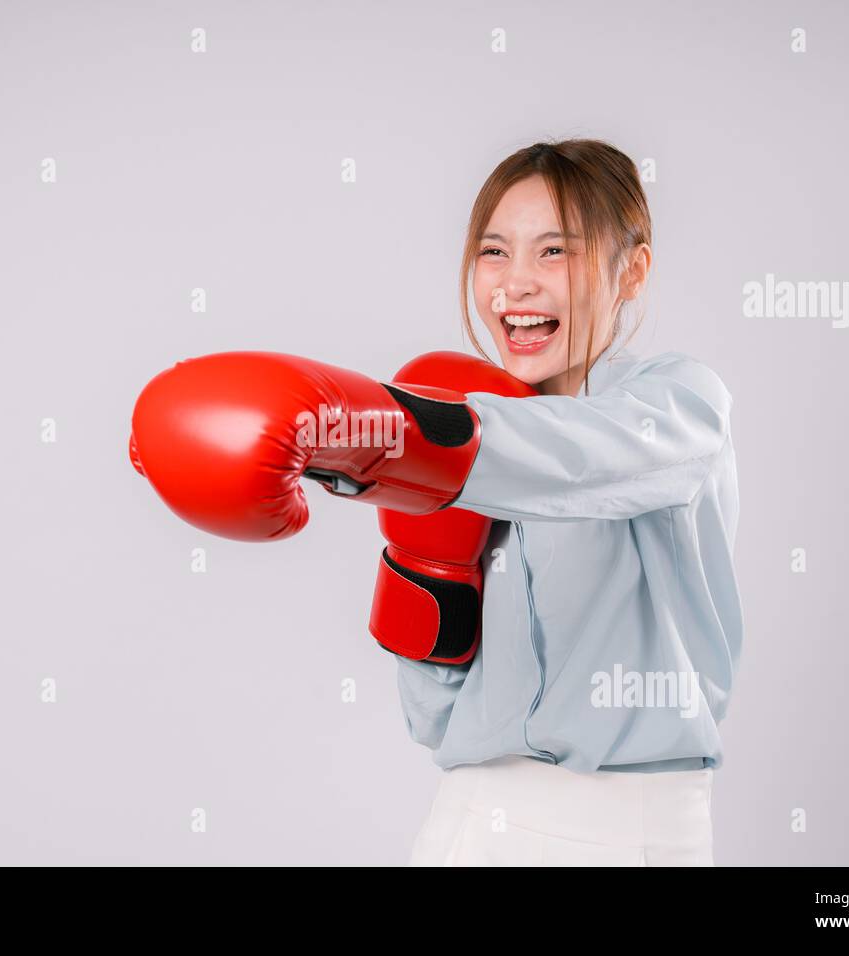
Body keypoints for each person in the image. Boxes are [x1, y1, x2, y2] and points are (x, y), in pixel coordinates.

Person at [129, 139, 740, 867]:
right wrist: (411, 541)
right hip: (468, 820)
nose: (515, 285)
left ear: (631, 269)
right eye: (493, 252)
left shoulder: (679, 403)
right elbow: (436, 716)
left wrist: (396, 437)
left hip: (627, 831)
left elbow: (582, 458)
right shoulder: (463, 425)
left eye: (554, 252)